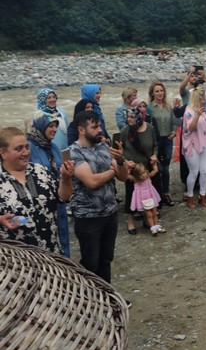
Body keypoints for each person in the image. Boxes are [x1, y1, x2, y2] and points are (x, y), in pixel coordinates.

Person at [70, 111, 128, 283]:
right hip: (88, 218)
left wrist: (121, 161)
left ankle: (107, 294)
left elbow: (123, 176)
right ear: (81, 129)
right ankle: (89, 296)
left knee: (106, 259)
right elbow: (91, 182)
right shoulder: (74, 152)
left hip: (109, 213)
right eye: (94, 127)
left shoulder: (104, 146)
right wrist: (112, 171)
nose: (100, 130)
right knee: (90, 264)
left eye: (100, 126)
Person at [1, 126, 73, 254]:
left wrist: (66, 179)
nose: (26, 152)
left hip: (51, 254)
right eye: (19, 148)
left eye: (27, 147)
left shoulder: (40, 171)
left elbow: (64, 197)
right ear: (3, 153)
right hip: (16, 260)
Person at [27, 115, 71, 257]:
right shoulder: (29, 148)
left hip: (58, 198)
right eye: (50, 126)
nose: (55, 129)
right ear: (41, 127)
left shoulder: (54, 147)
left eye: (55, 126)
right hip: (40, 201)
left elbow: (59, 171)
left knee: (62, 235)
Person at [120, 108, 160, 233]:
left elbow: (155, 145)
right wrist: (125, 161)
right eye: (127, 117)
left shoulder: (150, 128)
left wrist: (154, 155)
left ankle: (148, 219)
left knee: (148, 194)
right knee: (131, 194)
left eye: (132, 117)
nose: (129, 119)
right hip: (132, 169)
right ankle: (130, 221)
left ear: (139, 117)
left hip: (146, 167)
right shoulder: (125, 130)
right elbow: (119, 150)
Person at [182, 83, 206, 208]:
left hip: (204, 142)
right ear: (197, 99)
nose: (205, 101)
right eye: (202, 99)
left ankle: (202, 194)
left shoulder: (203, 110)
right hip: (192, 144)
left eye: (205, 98)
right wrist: (197, 115)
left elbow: (205, 124)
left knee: (205, 171)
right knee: (194, 172)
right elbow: (190, 128)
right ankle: (190, 196)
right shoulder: (189, 111)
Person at [148, 81, 177, 207]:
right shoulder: (149, 107)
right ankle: (155, 194)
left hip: (167, 140)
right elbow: (147, 124)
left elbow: (174, 122)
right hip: (155, 141)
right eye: (157, 91)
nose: (160, 93)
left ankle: (165, 193)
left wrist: (174, 132)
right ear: (152, 93)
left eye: (161, 91)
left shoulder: (168, 107)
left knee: (165, 168)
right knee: (155, 167)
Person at [129, 163, 165, 237]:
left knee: (154, 213)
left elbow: (155, 171)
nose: (144, 175)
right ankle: (152, 227)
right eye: (141, 174)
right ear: (137, 175)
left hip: (151, 198)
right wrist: (128, 169)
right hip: (143, 201)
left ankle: (157, 226)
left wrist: (154, 165)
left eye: (144, 172)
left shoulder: (148, 177)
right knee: (149, 215)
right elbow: (127, 176)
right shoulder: (136, 180)